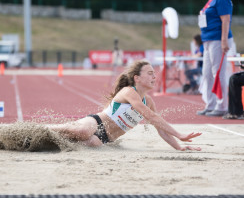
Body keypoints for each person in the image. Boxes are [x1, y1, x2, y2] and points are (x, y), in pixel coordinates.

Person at [43, 60, 202, 151]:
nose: (155, 76)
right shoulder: (129, 92)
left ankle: (43, 142)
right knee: (83, 131)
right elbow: (150, 116)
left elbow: (161, 129)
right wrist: (180, 134)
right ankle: (41, 130)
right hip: (96, 123)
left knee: (92, 144)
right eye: (150, 73)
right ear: (137, 78)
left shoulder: (149, 102)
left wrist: (179, 147)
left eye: (154, 73)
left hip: (105, 138)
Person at [197, 0, 233, 117]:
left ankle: (222, 105)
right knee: (207, 73)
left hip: (218, 39)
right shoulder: (211, 0)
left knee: (218, 72)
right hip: (207, 40)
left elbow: (226, 20)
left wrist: (224, 40)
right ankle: (210, 104)